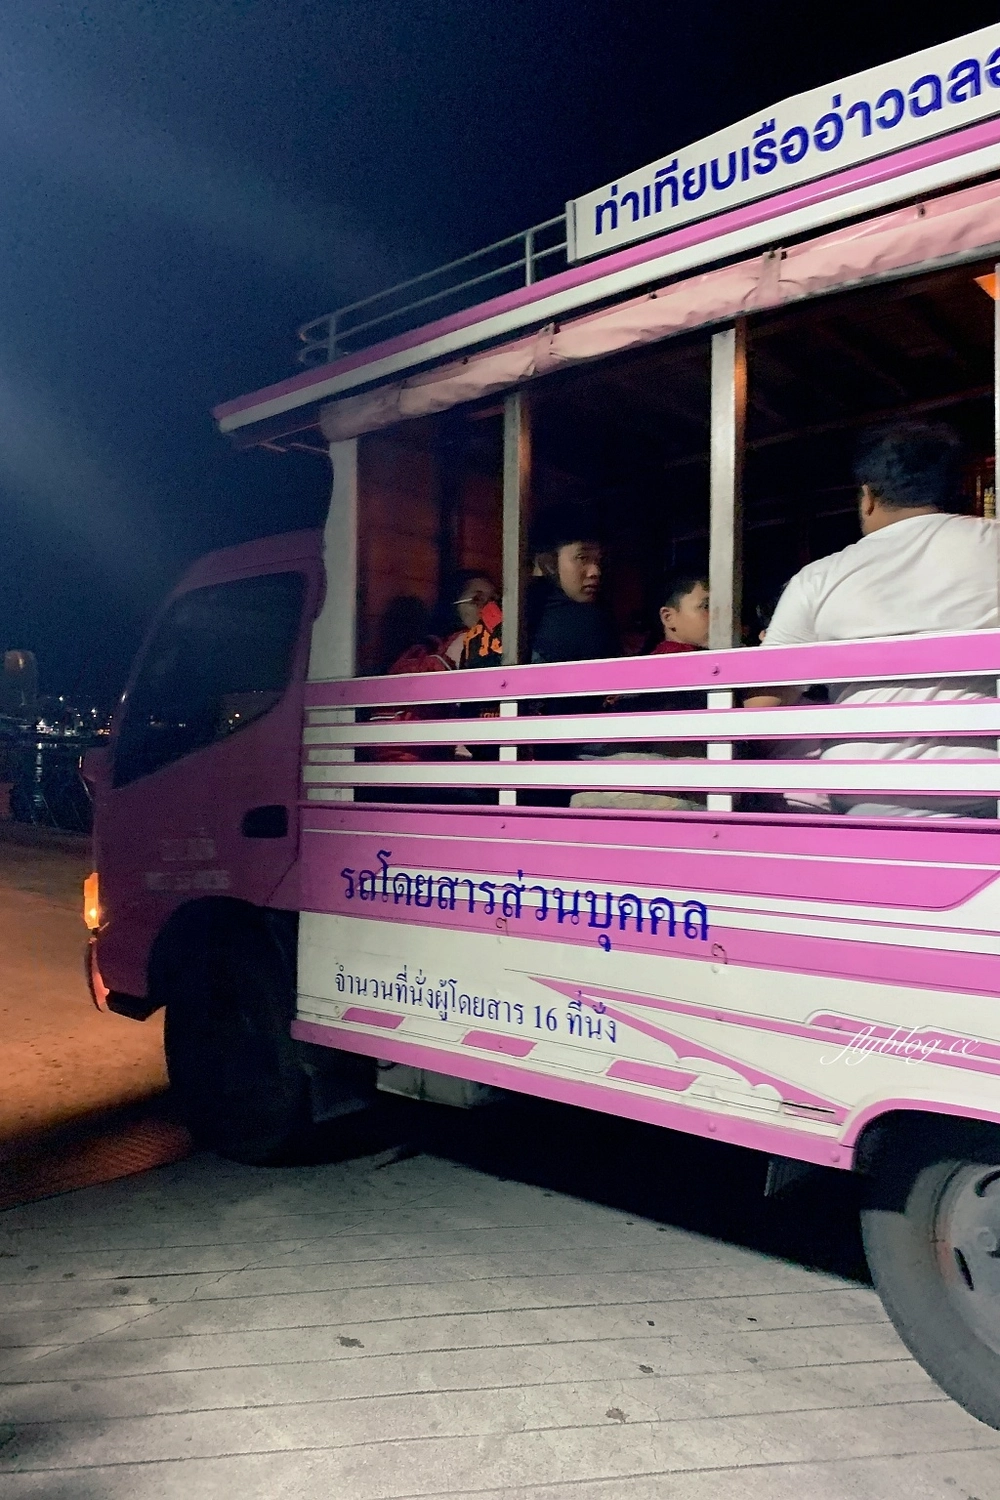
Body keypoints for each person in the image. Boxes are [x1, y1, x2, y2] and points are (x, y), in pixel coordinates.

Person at [746, 422, 999, 818]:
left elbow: (763, 710)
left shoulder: (820, 578)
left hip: (863, 799)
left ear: (866, 497)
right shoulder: (993, 545)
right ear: (957, 489)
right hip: (983, 796)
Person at [528, 502, 618, 663]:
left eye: (599, 560)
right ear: (548, 563)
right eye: (582, 558)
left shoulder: (501, 613)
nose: (595, 572)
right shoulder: (589, 623)